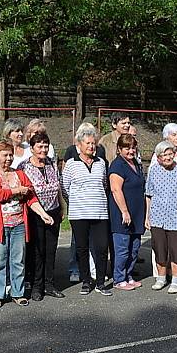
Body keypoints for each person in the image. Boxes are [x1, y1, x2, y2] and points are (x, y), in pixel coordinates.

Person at [0, 140, 54, 308]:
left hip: (19, 224)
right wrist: (17, 191)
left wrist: (43, 214)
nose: (8, 158)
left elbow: (31, 197)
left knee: (18, 261)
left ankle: (18, 292)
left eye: (10, 155)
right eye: (4, 155)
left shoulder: (20, 174)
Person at [62, 123, 111, 296]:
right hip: (79, 213)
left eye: (93, 143)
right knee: (82, 248)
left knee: (101, 247)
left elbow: (104, 184)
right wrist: (77, 202)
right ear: (79, 145)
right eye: (88, 143)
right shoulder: (71, 164)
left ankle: (100, 282)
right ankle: (85, 281)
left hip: (100, 213)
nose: (91, 146)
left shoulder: (101, 163)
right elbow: (65, 187)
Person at [18, 132, 64, 300]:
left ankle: (49, 284)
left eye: (46, 146)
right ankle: (37, 286)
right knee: (37, 251)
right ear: (32, 148)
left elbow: (58, 186)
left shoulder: (51, 164)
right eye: (40, 146)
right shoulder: (24, 167)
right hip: (35, 213)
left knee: (51, 250)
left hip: (53, 211)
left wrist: (61, 207)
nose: (43, 150)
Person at [145, 141, 177, 294]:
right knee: (159, 249)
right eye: (163, 155)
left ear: (174, 154)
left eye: (170, 154)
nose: (167, 157)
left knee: (175, 250)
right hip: (157, 215)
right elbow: (149, 195)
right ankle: (161, 278)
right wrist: (147, 216)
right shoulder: (153, 170)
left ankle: (175, 280)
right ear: (158, 157)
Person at [108, 134, 146, 291]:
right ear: (119, 149)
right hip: (123, 214)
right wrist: (125, 211)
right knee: (122, 249)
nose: (130, 150)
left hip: (137, 214)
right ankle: (119, 278)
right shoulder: (117, 165)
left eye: (133, 147)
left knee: (134, 248)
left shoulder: (136, 164)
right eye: (126, 148)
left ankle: (128, 275)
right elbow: (116, 189)